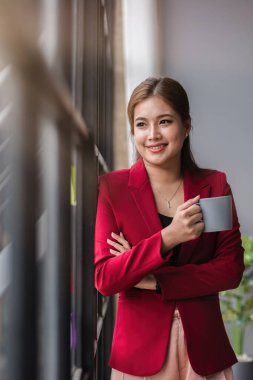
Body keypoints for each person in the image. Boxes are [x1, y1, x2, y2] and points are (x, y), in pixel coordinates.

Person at [94, 77, 244, 380]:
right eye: (141, 124)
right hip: (139, 355)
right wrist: (168, 237)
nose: (153, 135)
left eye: (164, 121)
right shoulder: (114, 189)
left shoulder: (213, 186)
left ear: (186, 126)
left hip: (204, 353)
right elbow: (106, 278)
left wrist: (154, 280)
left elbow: (230, 270)